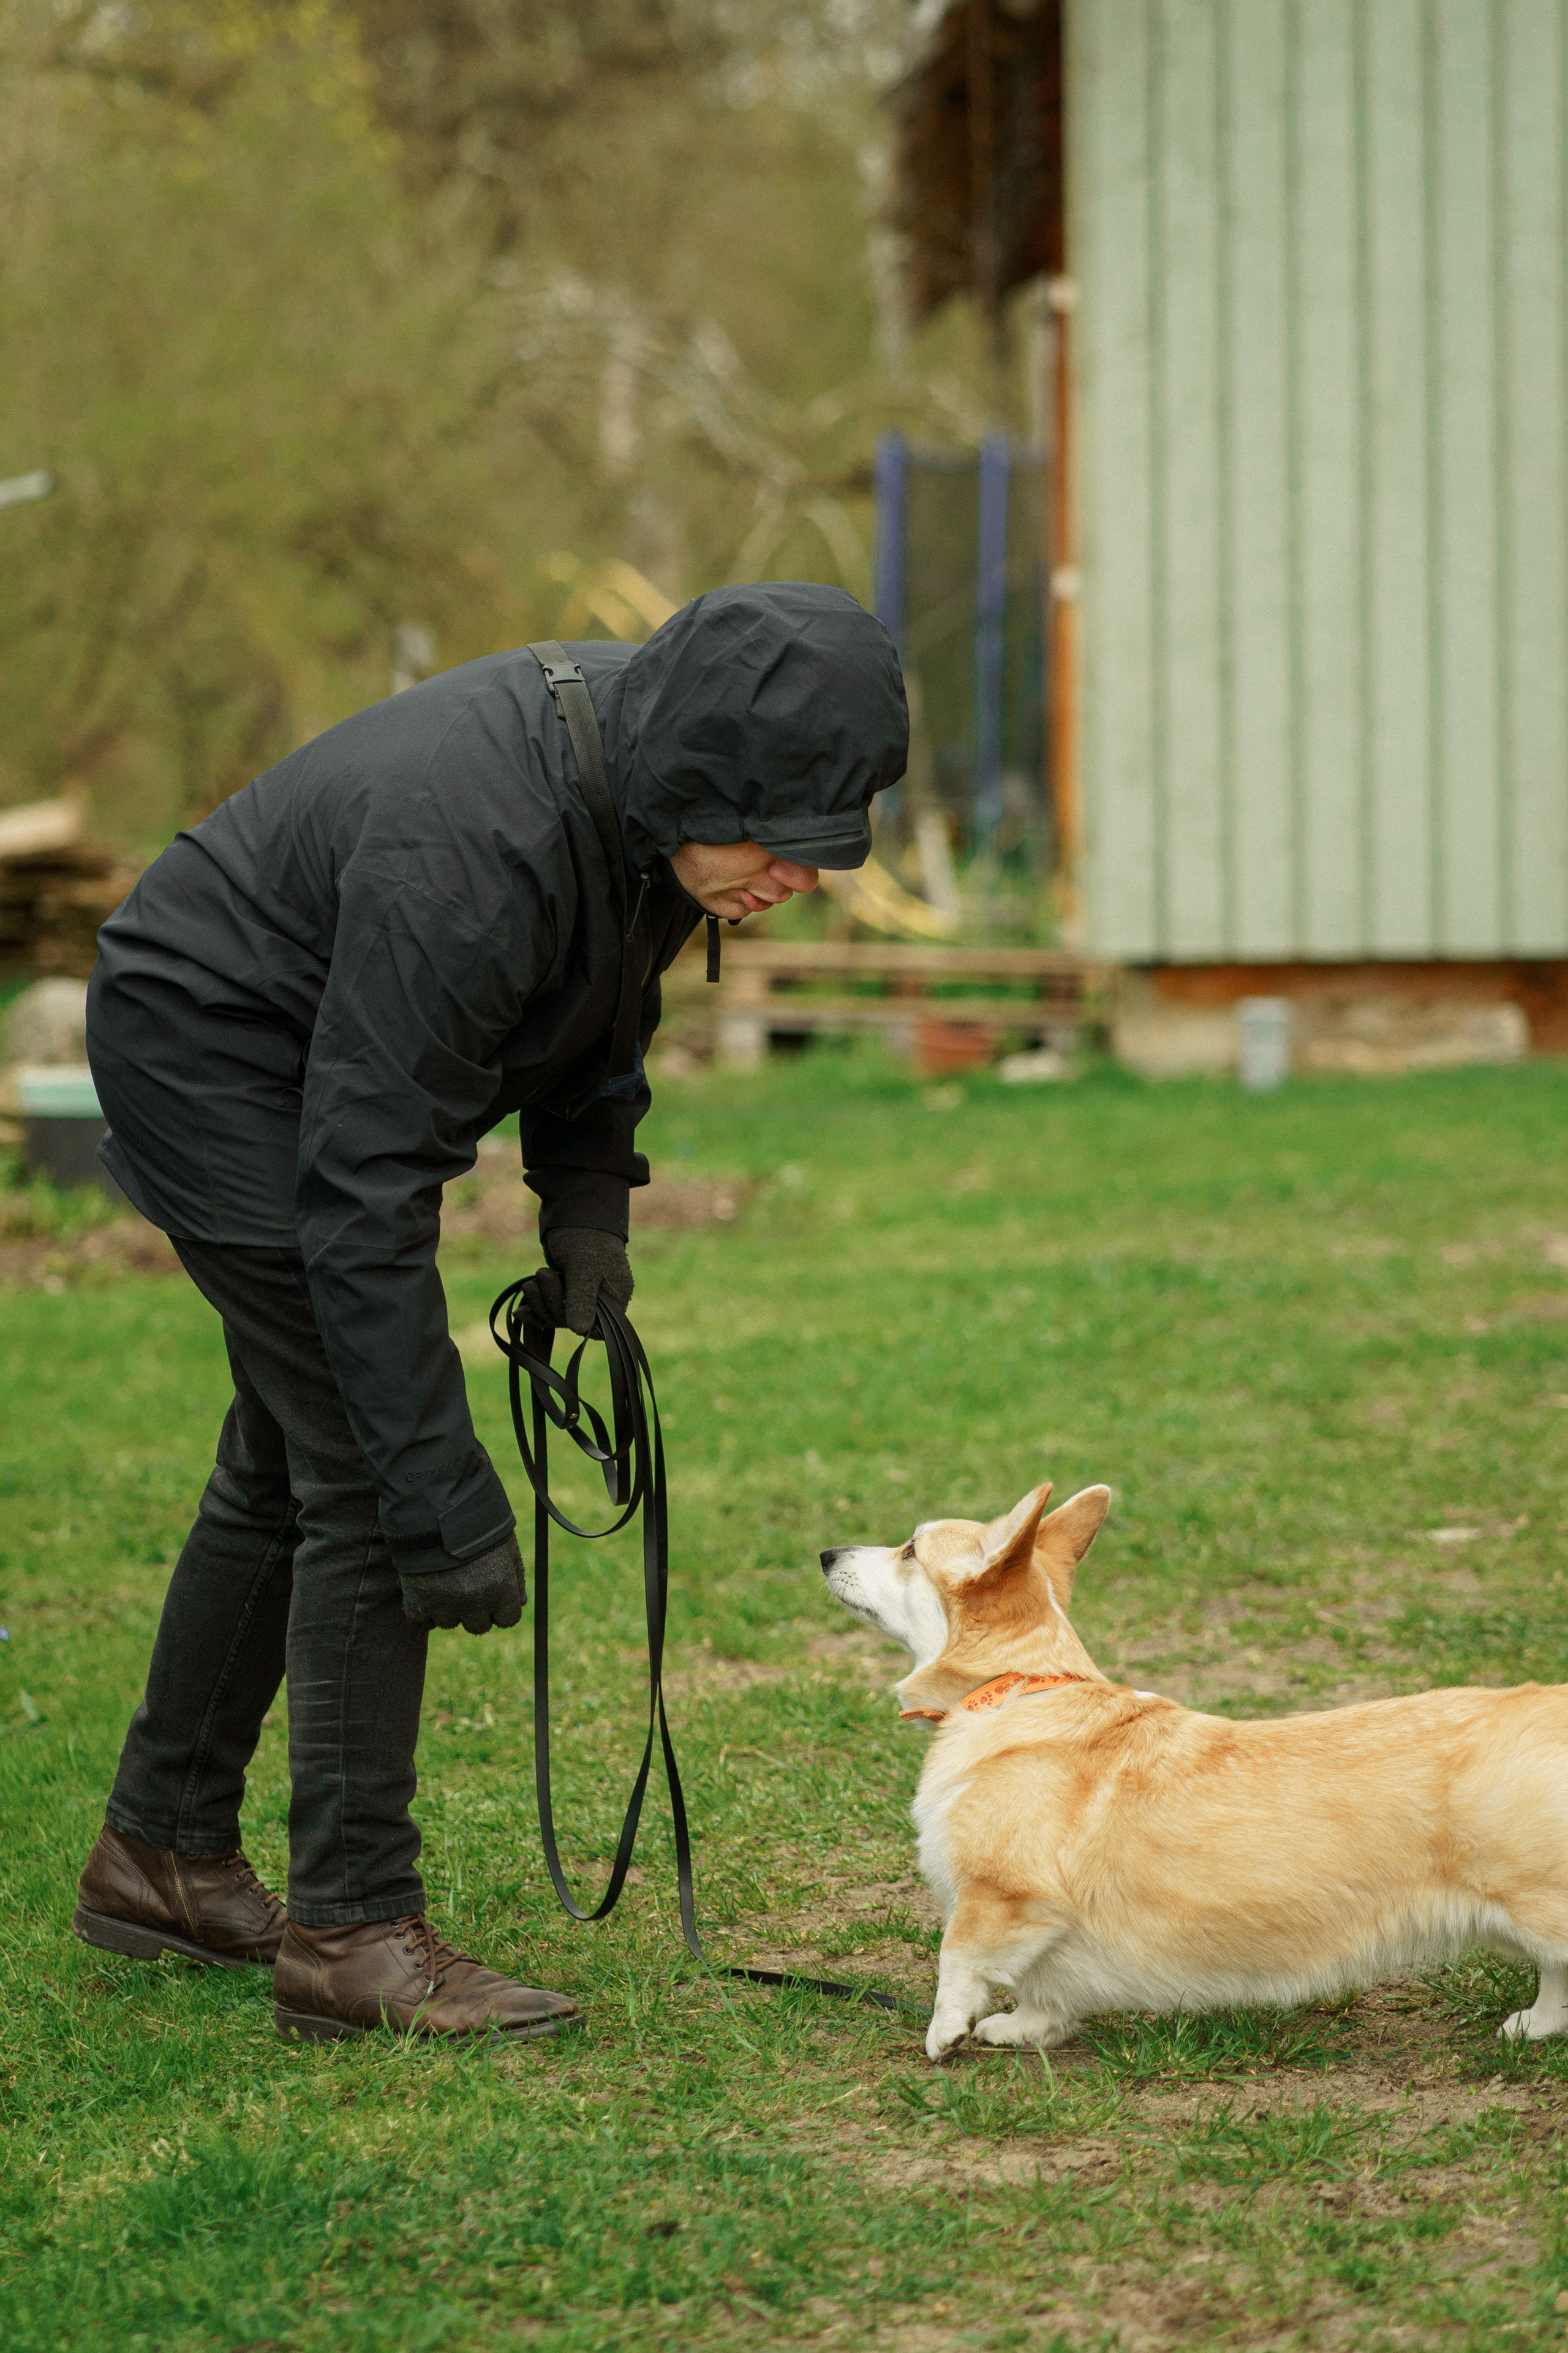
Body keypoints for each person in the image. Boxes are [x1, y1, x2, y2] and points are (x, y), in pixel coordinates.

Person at [74, 581, 907, 2041]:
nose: (801, 877)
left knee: (286, 1452)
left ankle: (162, 1855)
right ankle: (349, 1934)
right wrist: (438, 1487)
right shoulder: (475, 847)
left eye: (822, 849)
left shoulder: (647, 791)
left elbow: (605, 1001)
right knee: (359, 1467)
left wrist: (586, 1209)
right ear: (701, 783)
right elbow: (359, 1190)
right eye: (780, 845)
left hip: (317, 1065)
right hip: (209, 1050)